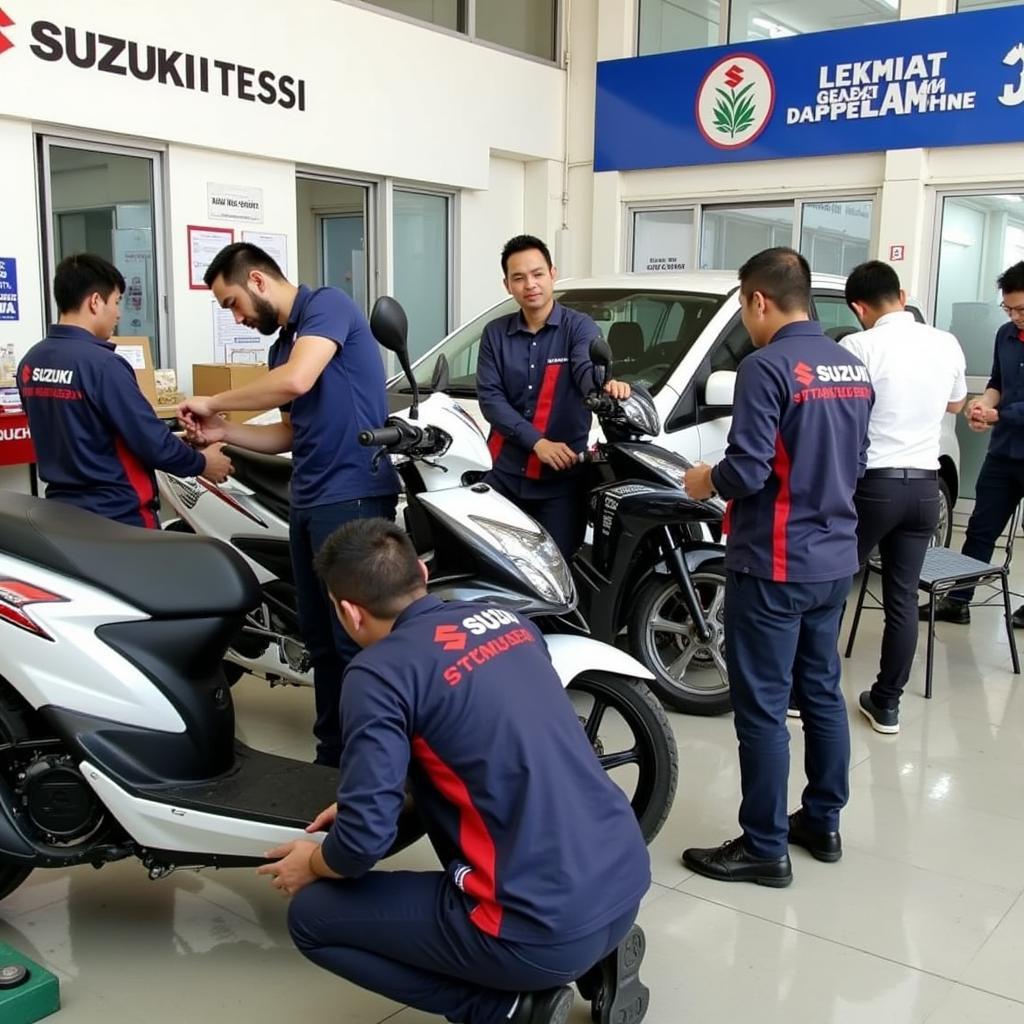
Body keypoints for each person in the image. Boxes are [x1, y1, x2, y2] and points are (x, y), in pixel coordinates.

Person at [256, 518, 651, 1024]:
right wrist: (379, 794)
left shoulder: (378, 674)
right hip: (625, 880)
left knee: (312, 920)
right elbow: (488, 743)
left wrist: (311, 864)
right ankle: (601, 954)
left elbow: (360, 846)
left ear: (349, 613)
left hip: (536, 928)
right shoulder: (508, 621)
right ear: (420, 572)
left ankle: (504, 1007)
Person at [680, 248, 873, 887]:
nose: (746, 317)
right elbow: (857, 458)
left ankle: (763, 846)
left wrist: (704, 479)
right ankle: (822, 820)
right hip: (833, 559)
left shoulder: (766, 367)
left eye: (743, 305)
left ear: (758, 300)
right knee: (821, 693)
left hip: (775, 563)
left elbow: (748, 470)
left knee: (762, 707)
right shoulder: (852, 365)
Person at [178, 243, 400, 767]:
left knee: (356, 643)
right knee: (322, 642)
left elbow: (297, 381)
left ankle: (371, 762)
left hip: (354, 494)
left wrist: (212, 400)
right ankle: (332, 757)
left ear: (257, 281)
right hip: (311, 498)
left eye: (232, 302)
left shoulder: (328, 306)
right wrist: (224, 430)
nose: (235, 316)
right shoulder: (283, 347)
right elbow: (289, 434)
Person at [839, 261, 966, 735]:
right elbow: (954, 403)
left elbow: (841, 408)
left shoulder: (858, 345)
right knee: (902, 598)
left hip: (873, 485)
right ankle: (887, 703)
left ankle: (801, 693)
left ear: (859, 308)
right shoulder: (945, 342)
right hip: (924, 490)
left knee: (831, 586)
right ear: (903, 294)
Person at [16, 253, 231, 528]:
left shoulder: (31, 363)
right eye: (116, 302)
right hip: (119, 517)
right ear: (95, 301)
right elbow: (150, 442)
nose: (119, 313)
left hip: (63, 518)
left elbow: (83, 431)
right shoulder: (104, 365)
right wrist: (202, 463)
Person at [476, 235, 630, 558]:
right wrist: (537, 442)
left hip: (560, 482)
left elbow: (586, 369)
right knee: (499, 571)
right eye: (518, 278)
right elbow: (491, 400)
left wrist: (606, 386)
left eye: (537, 274)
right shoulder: (494, 334)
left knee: (558, 576)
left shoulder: (579, 327)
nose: (529, 284)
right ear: (507, 285)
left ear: (552, 273)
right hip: (501, 476)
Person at [923, 261, 1024, 627]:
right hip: (1003, 454)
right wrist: (985, 405)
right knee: (980, 528)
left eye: (1021, 310)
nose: (1014, 316)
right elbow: (998, 381)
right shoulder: (1005, 335)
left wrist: (1001, 415)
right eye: (1008, 308)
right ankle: (958, 600)